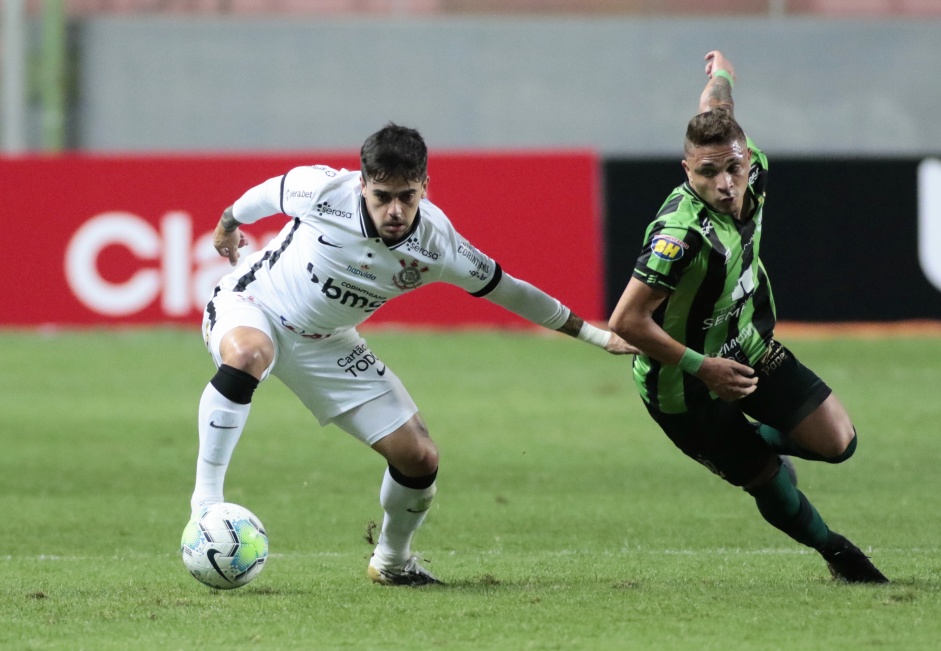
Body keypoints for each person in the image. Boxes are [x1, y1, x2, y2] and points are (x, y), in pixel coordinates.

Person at [190, 123, 637, 586]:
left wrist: (596, 336)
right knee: (248, 355)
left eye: (407, 195)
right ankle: (205, 506)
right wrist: (228, 224)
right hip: (253, 303)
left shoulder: (439, 245)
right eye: (382, 196)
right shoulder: (321, 188)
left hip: (327, 343)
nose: (396, 210)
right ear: (362, 184)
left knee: (419, 457)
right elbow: (266, 194)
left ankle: (393, 562)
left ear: (426, 185)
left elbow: (512, 292)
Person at [608, 51, 889, 583]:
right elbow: (625, 320)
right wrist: (702, 367)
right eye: (708, 172)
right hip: (684, 387)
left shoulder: (749, 164)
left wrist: (722, 70)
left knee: (838, 442)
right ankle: (837, 553)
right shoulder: (680, 237)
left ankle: (757, 439)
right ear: (687, 170)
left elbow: (718, 103)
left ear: (745, 157)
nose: (725, 183)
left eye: (733, 167)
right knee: (768, 481)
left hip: (751, 348)